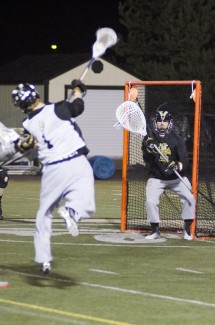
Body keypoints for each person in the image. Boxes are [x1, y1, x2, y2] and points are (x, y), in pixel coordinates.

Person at [11, 80, 95, 274]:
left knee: (43, 215)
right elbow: (77, 108)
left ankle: (44, 259)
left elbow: (50, 116)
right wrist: (78, 91)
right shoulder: (60, 108)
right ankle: (72, 212)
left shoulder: (27, 123)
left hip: (52, 170)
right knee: (86, 202)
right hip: (76, 161)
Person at [142, 108, 196, 240]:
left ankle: (187, 229)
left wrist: (177, 165)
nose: (161, 124)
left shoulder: (177, 140)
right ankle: (155, 231)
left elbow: (185, 161)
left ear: (169, 123)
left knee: (190, 199)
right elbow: (146, 160)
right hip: (157, 177)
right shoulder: (150, 139)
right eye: (159, 121)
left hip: (176, 178)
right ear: (156, 123)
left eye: (164, 121)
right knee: (150, 201)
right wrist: (148, 149)